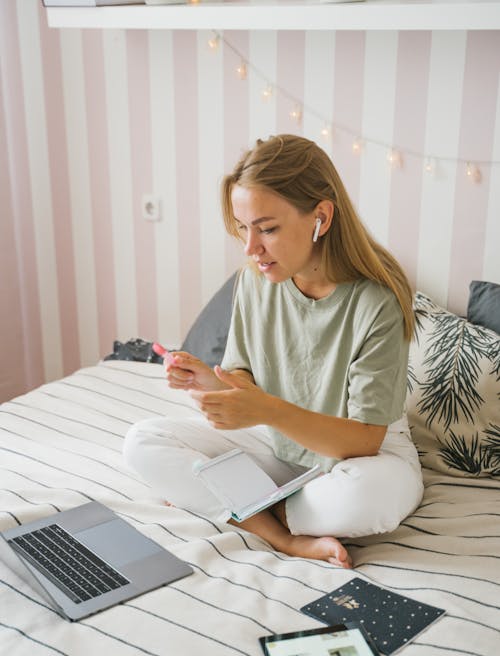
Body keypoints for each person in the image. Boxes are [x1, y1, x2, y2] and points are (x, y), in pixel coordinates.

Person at [123, 134, 423, 569]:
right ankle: (281, 535)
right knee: (144, 442)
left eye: (267, 229)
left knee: (369, 498)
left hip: (362, 455)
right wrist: (213, 382)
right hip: (278, 444)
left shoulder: (377, 301)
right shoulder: (254, 280)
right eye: (243, 229)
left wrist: (265, 411)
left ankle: (241, 503)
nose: (251, 248)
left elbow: (364, 439)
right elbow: (243, 375)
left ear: (321, 216)